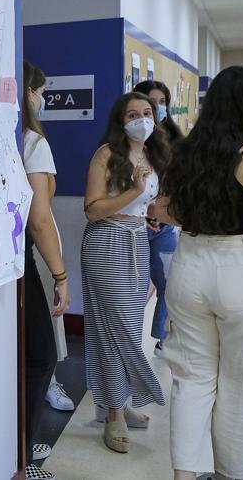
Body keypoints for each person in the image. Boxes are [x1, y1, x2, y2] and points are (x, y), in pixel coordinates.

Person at [153, 66, 243, 480]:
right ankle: (234, 473)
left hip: (190, 263)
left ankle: (185, 474)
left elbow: (163, 210)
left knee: (192, 378)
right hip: (242, 269)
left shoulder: (187, 150)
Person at [82, 91, 169, 454]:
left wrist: (148, 215)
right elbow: (92, 209)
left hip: (137, 240)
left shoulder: (154, 153)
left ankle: (116, 402)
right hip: (106, 242)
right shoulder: (107, 155)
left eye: (147, 112)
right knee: (115, 328)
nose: (142, 119)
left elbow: (150, 202)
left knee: (130, 327)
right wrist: (133, 190)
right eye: (133, 114)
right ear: (121, 120)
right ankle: (115, 411)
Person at [20, 62, 72, 480]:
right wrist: (60, 275)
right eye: (40, 90)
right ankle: (22, 454)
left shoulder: (8, 136)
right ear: (30, 92)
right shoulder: (33, 141)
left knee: (22, 355)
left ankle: (22, 436)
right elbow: (39, 219)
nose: (43, 98)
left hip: (2, 260)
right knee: (42, 355)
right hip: (21, 260)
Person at [133, 80, 181, 355]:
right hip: (133, 226)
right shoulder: (125, 144)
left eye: (162, 103)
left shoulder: (175, 141)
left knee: (169, 284)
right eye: (152, 102)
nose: (157, 108)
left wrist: (162, 215)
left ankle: (163, 338)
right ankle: (130, 346)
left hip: (164, 225)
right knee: (135, 290)